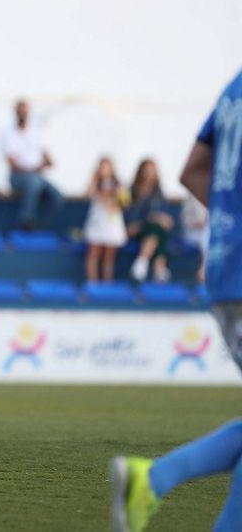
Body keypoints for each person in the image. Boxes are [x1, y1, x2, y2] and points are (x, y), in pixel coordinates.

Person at [110, 69, 242, 532]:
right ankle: (155, 478)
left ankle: (155, 478)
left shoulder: (234, 87)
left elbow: (191, 170)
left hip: (227, 269)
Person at [1, 99, 64, 229]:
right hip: (18, 177)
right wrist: (33, 169)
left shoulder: (36, 131)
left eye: (25, 110)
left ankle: (40, 224)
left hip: (37, 176)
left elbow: (46, 155)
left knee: (57, 196)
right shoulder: (8, 133)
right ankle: (25, 220)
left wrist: (47, 162)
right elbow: (12, 164)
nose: (23, 113)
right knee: (33, 182)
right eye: (20, 110)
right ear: (15, 112)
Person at [125, 158, 175, 282]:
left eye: (152, 171)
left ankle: (142, 262)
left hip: (151, 230)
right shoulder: (131, 191)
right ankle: (159, 269)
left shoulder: (159, 193)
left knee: (157, 230)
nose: (149, 174)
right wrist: (155, 217)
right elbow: (130, 216)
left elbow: (165, 215)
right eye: (146, 171)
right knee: (157, 229)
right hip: (136, 229)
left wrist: (165, 219)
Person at [83, 156, 128, 283]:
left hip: (112, 222)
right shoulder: (96, 182)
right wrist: (94, 177)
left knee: (109, 255)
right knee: (94, 253)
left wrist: (115, 201)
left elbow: (124, 202)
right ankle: (92, 282)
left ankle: (107, 283)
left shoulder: (118, 184)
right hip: (98, 220)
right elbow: (88, 193)